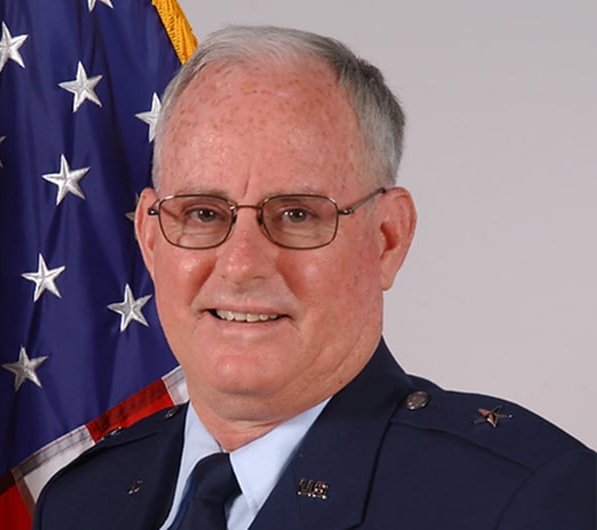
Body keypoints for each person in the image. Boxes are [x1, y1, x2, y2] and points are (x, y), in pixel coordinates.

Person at [33, 25, 596, 529]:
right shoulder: (82, 502)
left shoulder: (523, 502)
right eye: (203, 213)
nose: (242, 263)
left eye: (298, 215)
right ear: (151, 239)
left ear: (387, 239)